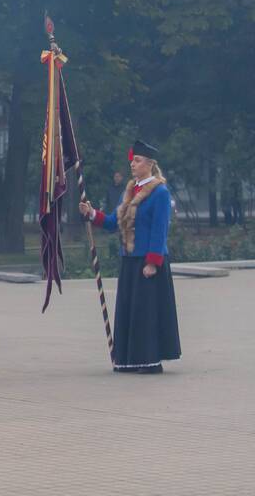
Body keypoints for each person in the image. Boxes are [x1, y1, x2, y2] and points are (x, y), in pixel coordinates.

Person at [80, 140, 181, 374]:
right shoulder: (130, 190)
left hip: (148, 260)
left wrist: (153, 263)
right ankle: (128, 359)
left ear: (149, 164)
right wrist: (92, 213)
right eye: (132, 160)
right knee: (128, 310)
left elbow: (159, 230)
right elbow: (113, 222)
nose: (132, 164)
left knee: (146, 312)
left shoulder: (160, 192)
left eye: (137, 160)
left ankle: (150, 360)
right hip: (129, 258)